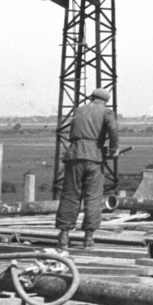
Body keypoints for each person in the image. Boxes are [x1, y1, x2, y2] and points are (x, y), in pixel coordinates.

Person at [54, 88, 118, 251]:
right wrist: (113, 149)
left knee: (70, 195)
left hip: (74, 155)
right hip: (94, 158)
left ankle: (64, 236)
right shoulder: (106, 112)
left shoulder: (79, 110)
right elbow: (113, 130)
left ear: (92, 98)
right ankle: (88, 238)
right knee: (93, 197)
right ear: (104, 101)